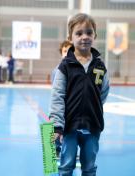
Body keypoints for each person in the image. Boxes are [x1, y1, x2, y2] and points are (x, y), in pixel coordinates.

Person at [48, 13, 110, 176]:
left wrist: (93, 107)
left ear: (95, 35)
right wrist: (56, 126)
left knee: (89, 166)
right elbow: (57, 96)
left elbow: (103, 92)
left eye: (89, 32)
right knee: (66, 165)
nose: (85, 37)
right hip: (69, 126)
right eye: (79, 33)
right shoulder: (65, 66)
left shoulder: (100, 66)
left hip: (93, 124)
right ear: (70, 37)